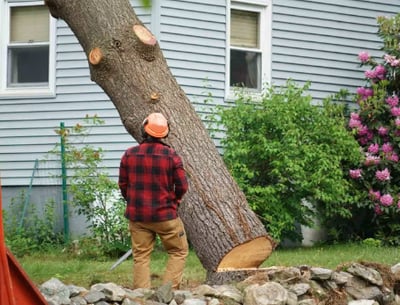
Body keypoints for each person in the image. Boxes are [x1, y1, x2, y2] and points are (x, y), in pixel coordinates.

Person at [118, 112, 189, 290]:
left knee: (141, 256)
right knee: (178, 251)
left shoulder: (129, 154)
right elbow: (182, 186)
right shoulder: (172, 156)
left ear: (144, 130)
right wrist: (175, 202)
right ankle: (168, 294)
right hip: (166, 216)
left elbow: (123, 185)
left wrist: (133, 202)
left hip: (138, 217)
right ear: (165, 133)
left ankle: (140, 297)